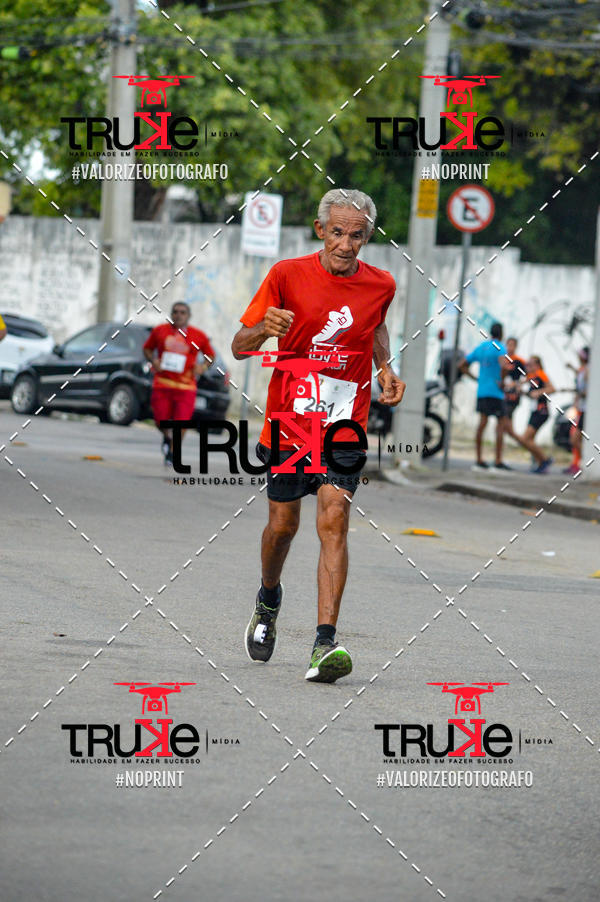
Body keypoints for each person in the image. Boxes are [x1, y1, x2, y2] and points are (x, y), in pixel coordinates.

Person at [231, 188, 405, 684]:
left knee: (335, 517)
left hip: (345, 425)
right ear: (319, 230)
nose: (347, 245)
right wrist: (265, 328)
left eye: (357, 235)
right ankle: (268, 599)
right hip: (291, 422)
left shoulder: (382, 284)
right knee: (282, 528)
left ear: (367, 236)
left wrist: (385, 367)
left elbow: (373, 327)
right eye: (337, 233)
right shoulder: (286, 275)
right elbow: (239, 346)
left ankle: (324, 644)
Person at [143, 301, 214, 465]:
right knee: (160, 421)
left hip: (186, 387)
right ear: (171, 314)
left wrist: (202, 367)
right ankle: (167, 437)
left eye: (183, 312)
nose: (179, 315)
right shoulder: (160, 331)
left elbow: (210, 355)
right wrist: (154, 360)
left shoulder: (198, 336)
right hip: (163, 384)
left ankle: (173, 453)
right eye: (175, 312)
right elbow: (147, 349)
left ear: (188, 316)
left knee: (181, 423)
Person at [459, 322, 511, 471]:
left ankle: (479, 458)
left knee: (482, 424)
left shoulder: (481, 347)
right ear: (501, 333)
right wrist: (502, 380)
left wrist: (475, 378)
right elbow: (504, 366)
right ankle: (498, 459)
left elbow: (462, 365)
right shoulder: (500, 347)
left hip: (482, 391)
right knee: (500, 425)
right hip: (496, 392)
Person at [519, 355, 555, 473]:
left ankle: (545, 459)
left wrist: (539, 392)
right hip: (535, 411)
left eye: (531, 364)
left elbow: (552, 388)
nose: (528, 366)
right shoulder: (531, 377)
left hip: (541, 411)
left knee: (525, 439)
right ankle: (541, 464)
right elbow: (529, 392)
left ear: (537, 365)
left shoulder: (541, 374)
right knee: (530, 439)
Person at [500, 336, 528, 465]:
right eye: (508, 345)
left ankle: (532, 449)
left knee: (505, 428)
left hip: (512, 398)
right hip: (502, 397)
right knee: (506, 429)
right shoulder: (502, 359)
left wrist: (516, 385)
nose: (510, 347)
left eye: (512, 345)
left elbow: (527, 377)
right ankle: (532, 449)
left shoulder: (519, 362)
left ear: (516, 347)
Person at [564, 346, 589, 475]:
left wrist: (580, 394)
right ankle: (577, 463)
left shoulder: (589, 371)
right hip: (580, 409)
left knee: (575, 439)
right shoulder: (582, 370)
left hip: (586, 410)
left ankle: (585, 462)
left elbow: (588, 390)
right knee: (575, 438)